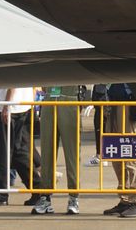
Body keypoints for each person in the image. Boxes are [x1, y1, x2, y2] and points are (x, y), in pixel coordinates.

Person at [0, 87, 44, 208]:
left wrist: (7, 106)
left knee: (1, 153)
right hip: (22, 106)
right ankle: (38, 189)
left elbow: (12, 80)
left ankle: (0, 194)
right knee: (20, 152)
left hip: (10, 106)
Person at [34, 85, 83, 215]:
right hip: (50, 99)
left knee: (72, 154)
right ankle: (45, 197)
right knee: (47, 152)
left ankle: (73, 197)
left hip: (70, 98)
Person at [102, 83, 136, 218]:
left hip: (129, 102)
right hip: (113, 102)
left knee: (132, 155)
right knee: (117, 154)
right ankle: (125, 198)